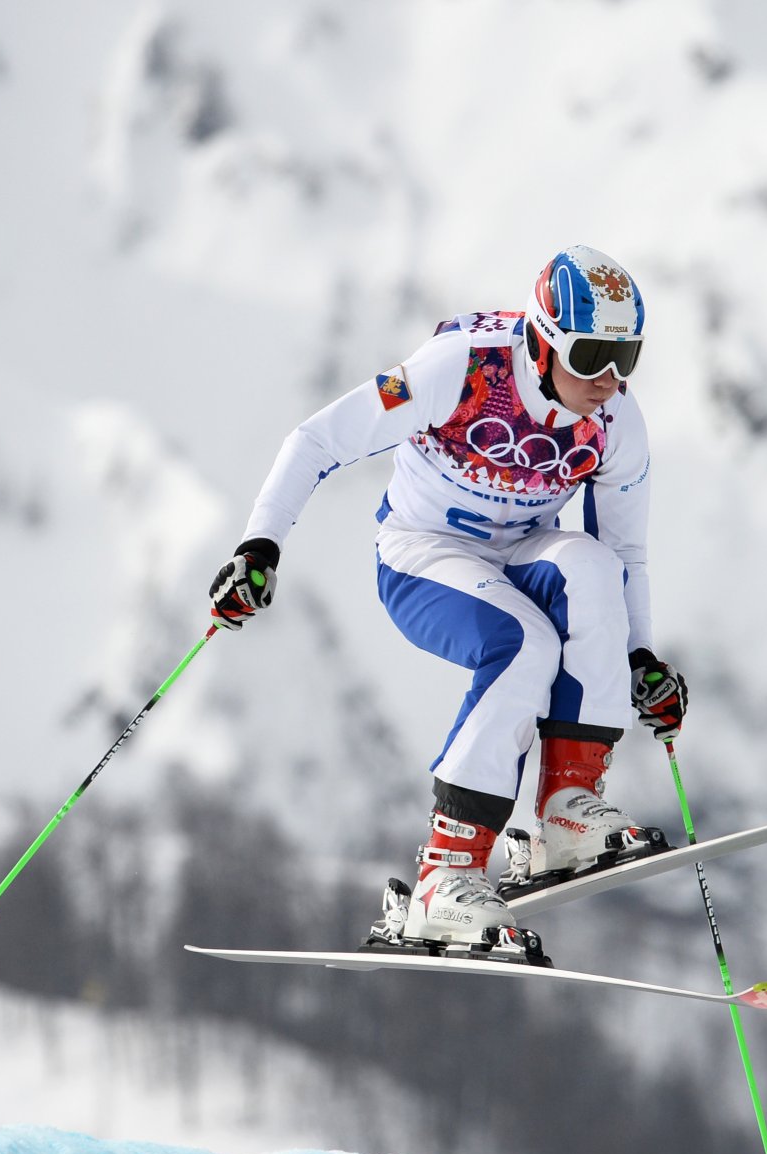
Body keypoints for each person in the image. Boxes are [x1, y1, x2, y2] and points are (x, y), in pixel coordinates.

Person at [207, 246, 687, 951]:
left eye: (627, 358)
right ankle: (445, 876)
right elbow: (316, 441)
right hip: (422, 554)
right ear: (544, 338)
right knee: (526, 643)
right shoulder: (463, 367)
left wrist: (639, 655)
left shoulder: (616, 422)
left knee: (590, 568)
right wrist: (259, 547)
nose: (609, 380)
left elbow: (627, 554)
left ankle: (567, 814)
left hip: (520, 552)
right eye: (590, 356)